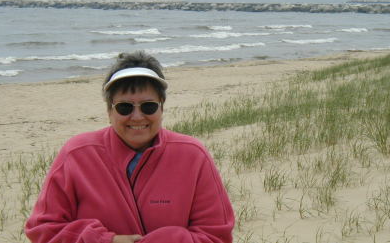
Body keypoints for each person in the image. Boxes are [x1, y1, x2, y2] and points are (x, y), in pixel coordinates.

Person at [25, 50, 234, 243]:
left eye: (148, 106)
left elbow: (216, 235)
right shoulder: (77, 153)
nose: (136, 117)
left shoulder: (193, 155)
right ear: (109, 111)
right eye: (124, 107)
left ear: (162, 107)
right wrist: (104, 240)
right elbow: (42, 229)